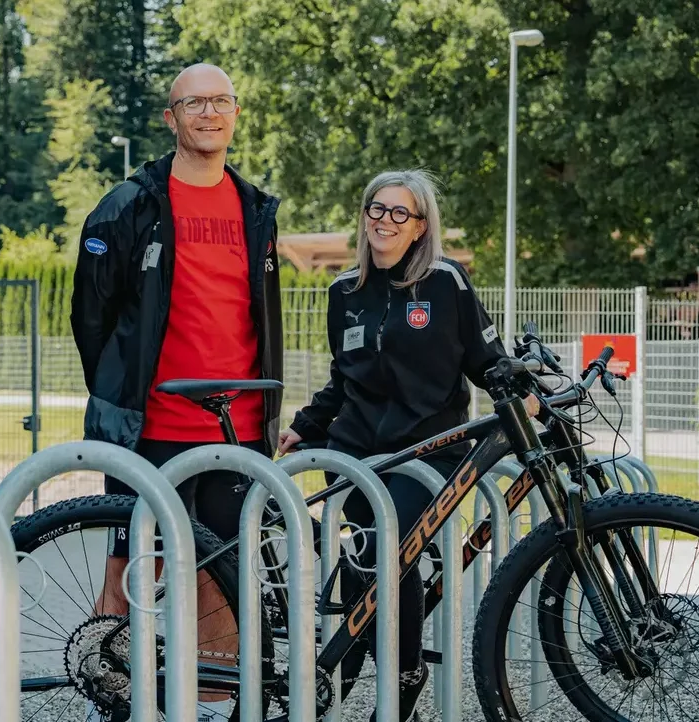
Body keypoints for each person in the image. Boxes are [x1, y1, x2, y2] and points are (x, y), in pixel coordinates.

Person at [70, 62, 283, 717]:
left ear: (236, 113)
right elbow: (90, 316)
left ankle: (215, 701)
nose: (209, 113)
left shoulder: (255, 209)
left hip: (236, 424)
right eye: (194, 103)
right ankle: (114, 688)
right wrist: (122, 387)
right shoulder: (131, 203)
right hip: (151, 425)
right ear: (171, 117)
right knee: (133, 565)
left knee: (220, 576)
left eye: (221, 101)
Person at [278, 169, 530, 722]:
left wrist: (525, 392)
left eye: (400, 213)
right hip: (357, 453)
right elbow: (343, 380)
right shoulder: (343, 292)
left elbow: (485, 361)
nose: (384, 221)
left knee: (392, 551)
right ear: (364, 215)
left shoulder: (446, 283)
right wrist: (305, 423)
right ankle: (338, 679)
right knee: (362, 561)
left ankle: (405, 674)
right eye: (376, 209)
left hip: (427, 453)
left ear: (420, 227)